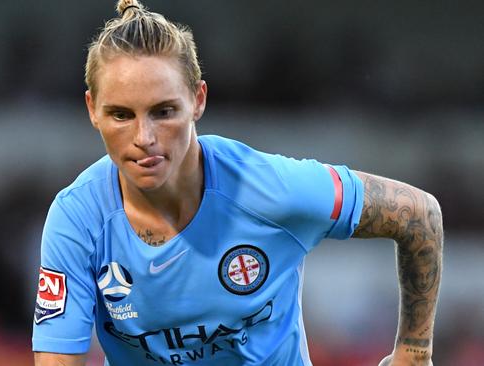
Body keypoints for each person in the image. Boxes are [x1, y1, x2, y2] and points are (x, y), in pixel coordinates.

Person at [31, 0, 443, 365]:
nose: (144, 138)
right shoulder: (77, 219)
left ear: (199, 100)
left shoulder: (272, 190)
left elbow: (419, 215)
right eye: (121, 115)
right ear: (92, 110)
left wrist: (414, 351)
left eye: (164, 111)